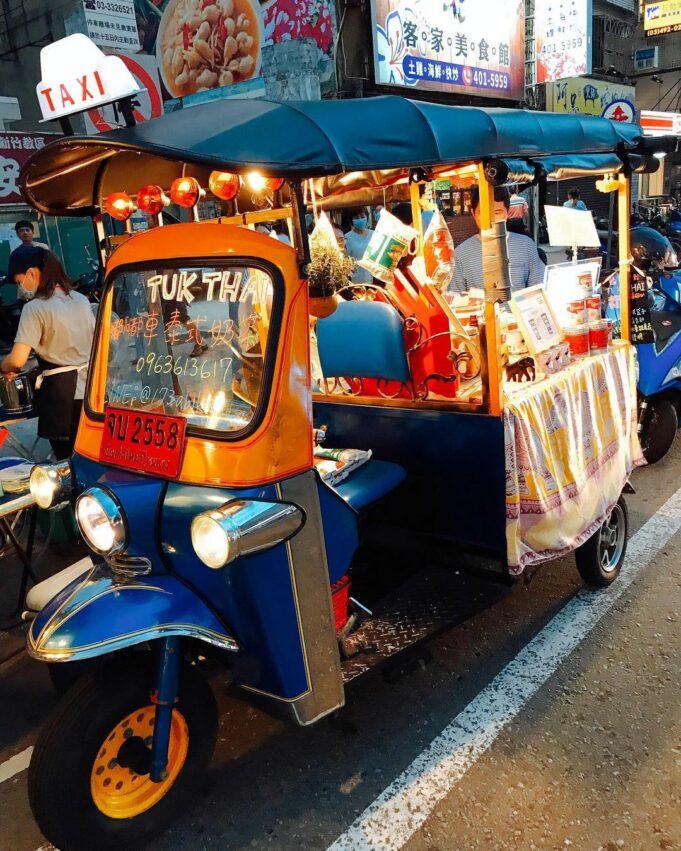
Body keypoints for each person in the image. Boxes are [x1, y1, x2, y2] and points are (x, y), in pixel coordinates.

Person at [1, 247, 95, 459]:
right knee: (90, 457)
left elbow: (16, 360)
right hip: (92, 391)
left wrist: (4, 367)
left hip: (62, 397)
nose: (21, 288)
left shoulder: (34, 308)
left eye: (19, 281)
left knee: (67, 461)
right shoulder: (80, 299)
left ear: (32, 273)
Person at [450, 186, 545, 294]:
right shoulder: (460, 253)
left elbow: (538, 293)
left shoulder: (526, 245)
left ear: (507, 212)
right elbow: (455, 299)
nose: (490, 220)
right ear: (473, 213)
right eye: (483, 213)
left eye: (497, 213)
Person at [344, 207, 374, 284]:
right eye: (356, 218)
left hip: (376, 281)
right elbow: (346, 262)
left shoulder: (374, 234)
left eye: (362, 216)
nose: (360, 219)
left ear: (367, 216)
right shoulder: (347, 238)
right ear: (351, 220)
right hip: (357, 282)